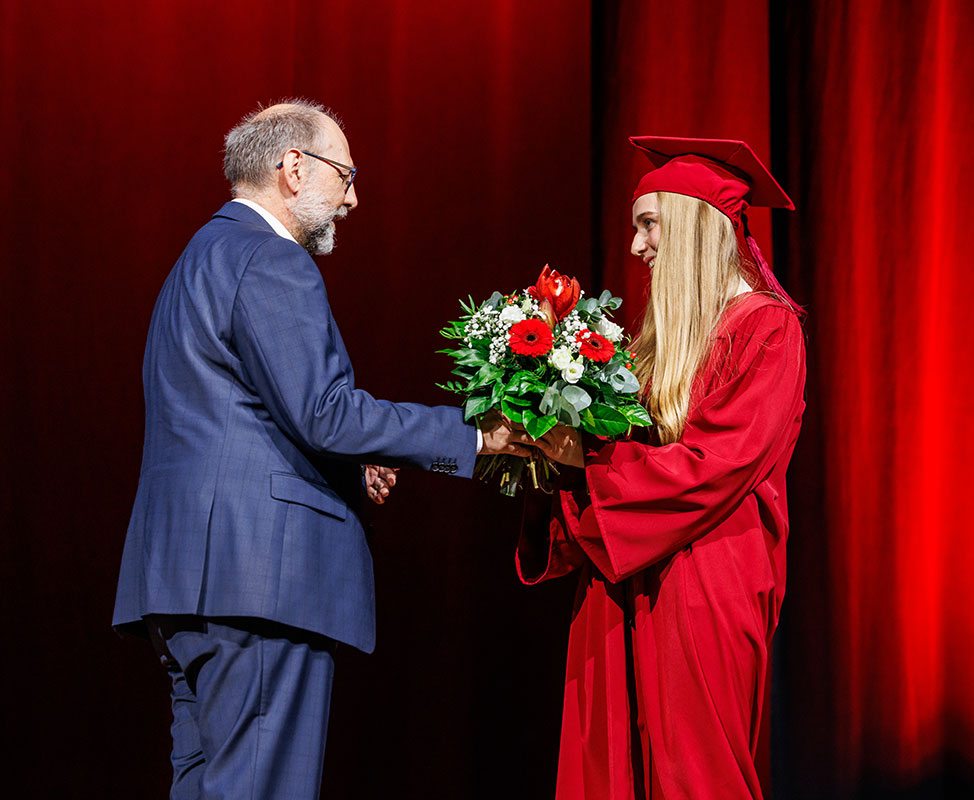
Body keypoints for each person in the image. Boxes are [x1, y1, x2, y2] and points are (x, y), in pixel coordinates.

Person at [112, 99, 530, 800]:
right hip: (258, 586)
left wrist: (344, 467)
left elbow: (240, 416)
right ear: (293, 167)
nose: (354, 198)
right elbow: (325, 412)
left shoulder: (197, 258)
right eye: (346, 175)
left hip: (182, 586)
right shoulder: (271, 259)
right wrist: (474, 433)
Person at [520, 136, 807, 799]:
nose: (636, 247)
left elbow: (715, 463)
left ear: (692, 226)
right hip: (620, 575)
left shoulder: (768, 330)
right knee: (606, 769)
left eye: (649, 225)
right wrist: (548, 454)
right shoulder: (651, 349)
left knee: (692, 775)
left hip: (704, 579)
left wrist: (589, 494)